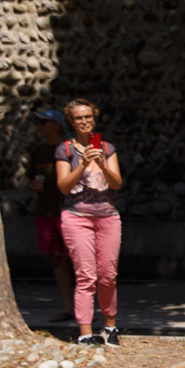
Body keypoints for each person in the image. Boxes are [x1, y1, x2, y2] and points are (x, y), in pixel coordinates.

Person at [55, 98, 122, 346]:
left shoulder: (106, 147)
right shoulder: (65, 150)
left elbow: (116, 184)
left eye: (88, 117)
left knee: (108, 275)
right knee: (86, 275)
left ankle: (110, 327)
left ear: (94, 119)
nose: (84, 121)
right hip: (76, 217)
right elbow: (63, 186)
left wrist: (102, 164)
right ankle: (85, 331)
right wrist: (82, 165)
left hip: (108, 216)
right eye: (78, 118)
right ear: (71, 121)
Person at [26, 108, 73, 323]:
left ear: (58, 124)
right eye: (38, 122)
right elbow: (30, 178)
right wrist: (32, 184)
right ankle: (68, 307)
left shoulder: (73, 149)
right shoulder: (38, 152)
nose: (39, 126)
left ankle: (85, 308)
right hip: (45, 212)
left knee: (80, 261)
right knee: (57, 260)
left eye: (44, 122)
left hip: (71, 212)